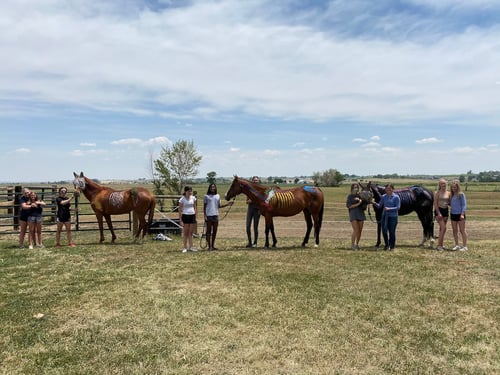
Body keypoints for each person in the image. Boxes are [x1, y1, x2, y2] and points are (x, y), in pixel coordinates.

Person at [203, 183, 233, 251]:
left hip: (215, 215)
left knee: (214, 231)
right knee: (208, 231)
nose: (213, 188)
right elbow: (204, 207)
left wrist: (227, 204)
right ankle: (209, 246)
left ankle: (213, 245)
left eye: (214, 187)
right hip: (209, 216)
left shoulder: (217, 196)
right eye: (211, 187)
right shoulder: (206, 196)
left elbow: (219, 206)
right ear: (209, 188)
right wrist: (205, 216)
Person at [373, 183, 400, 251]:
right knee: (384, 231)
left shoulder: (396, 197)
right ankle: (386, 245)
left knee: (392, 232)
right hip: (384, 216)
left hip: (393, 217)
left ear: (392, 189)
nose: (388, 190)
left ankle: (392, 246)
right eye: (387, 189)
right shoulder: (383, 197)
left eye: (390, 189)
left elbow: (398, 207)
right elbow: (379, 205)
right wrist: (373, 203)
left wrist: (389, 209)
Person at [346, 183, 366, 250]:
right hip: (353, 214)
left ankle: (357, 244)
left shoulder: (360, 195)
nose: (356, 189)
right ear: (352, 188)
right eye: (354, 187)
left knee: (360, 230)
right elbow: (349, 206)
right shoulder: (349, 196)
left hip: (361, 214)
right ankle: (352, 245)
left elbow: (364, 203)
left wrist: (363, 201)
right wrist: (358, 203)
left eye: (357, 187)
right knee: (356, 230)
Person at [450, 180, 468, 251]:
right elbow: (452, 204)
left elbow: (464, 205)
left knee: (462, 230)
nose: (453, 188)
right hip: (452, 214)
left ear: (458, 187)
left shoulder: (461, 194)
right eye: (452, 187)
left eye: (455, 187)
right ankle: (457, 245)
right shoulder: (451, 195)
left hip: (460, 215)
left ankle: (464, 246)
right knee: (455, 230)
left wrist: (462, 214)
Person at [179, 185, 197, 253]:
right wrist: (180, 220)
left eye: (191, 191)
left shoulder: (193, 198)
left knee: (191, 232)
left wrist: (195, 216)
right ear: (185, 191)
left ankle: (191, 246)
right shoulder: (182, 199)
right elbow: (180, 210)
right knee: (185, 232)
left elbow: (195, 207)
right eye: (189, 191)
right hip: (185, 216)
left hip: (192, 216)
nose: (190, 192)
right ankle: (184, 247)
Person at [434, 179, 450, 251]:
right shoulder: (437, 193)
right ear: (439, 185)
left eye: (444, 183)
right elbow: (435, 204)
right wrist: (438, 213)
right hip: (439, 211)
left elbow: (449, 202)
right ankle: (439, 246)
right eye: (441, 184)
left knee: (442, 229)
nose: (443, 185)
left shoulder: (448, 193)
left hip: (446, 211)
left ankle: (441, 244)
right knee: (444, 228)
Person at [246, 176, 261, 247]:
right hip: (250, 209)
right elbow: (247, 201)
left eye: (257, 180)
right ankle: (249, 242)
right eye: (254, 180)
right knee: (247, 226)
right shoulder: (249, 190)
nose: (256, 181)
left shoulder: (261, 189)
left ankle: (255, 242)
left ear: (259, 181)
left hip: (257, 210)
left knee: (255, 227)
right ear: (252, 181)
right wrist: (251, 200)